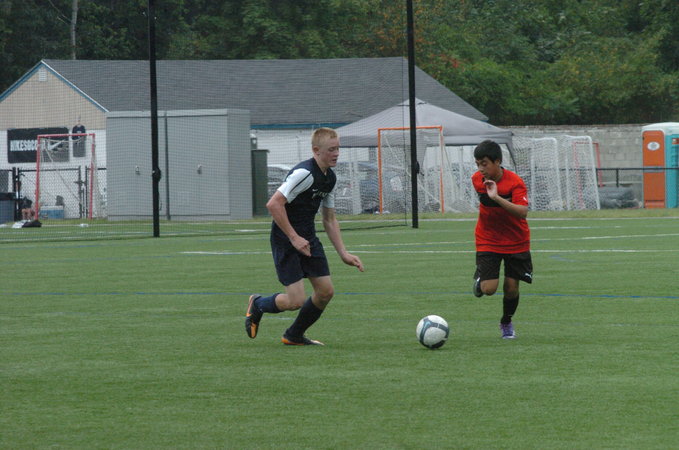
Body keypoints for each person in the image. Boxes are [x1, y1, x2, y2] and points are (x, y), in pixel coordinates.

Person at [245, 127, 364, 346]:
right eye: (331, 149)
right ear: (316, 150)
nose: (336, 153)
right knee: (295, 301)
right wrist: (293, 237)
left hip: (308, 237)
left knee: (325, 292)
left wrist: (344, 253)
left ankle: (293, 335)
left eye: (338, 148)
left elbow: (329, 219)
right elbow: (274, 204)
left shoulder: (330, 178)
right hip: (286, 239)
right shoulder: (305, 174)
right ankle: (259, 304)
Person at [471, 140, 532, 339]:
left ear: (497, 161)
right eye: (478, 164)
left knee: (511, 288)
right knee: (488, 289)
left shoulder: (515, 182)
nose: (481, 169)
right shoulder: (476, 180)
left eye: (484, 164)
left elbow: (522, 212)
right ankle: (480, 276)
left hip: (516, 240)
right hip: (488, 238)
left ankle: (506, 322)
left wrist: (497, 197)